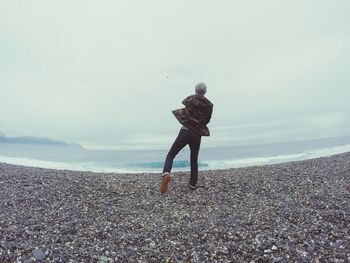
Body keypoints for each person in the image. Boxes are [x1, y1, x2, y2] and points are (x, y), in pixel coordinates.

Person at [160, 82, 213, 194]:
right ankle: (193, 185)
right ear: (205, 91)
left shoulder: (190, 99)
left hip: (185, 130)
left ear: (195, 90)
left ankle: (166, 173)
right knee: (194, 160)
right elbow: (207, 120)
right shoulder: (209, 105)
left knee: (171, 154)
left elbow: (184, 104)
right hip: (197, 134)